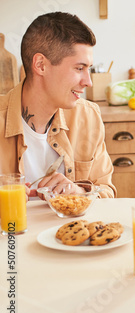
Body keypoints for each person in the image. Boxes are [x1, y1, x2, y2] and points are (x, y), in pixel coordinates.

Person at [0, 12, 116, 198]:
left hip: (70, 227)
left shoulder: (88, 116)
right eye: (79, 68)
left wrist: (79, 192)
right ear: (41, 65)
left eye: (89, 69)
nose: (88, 82)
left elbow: (107, 192)